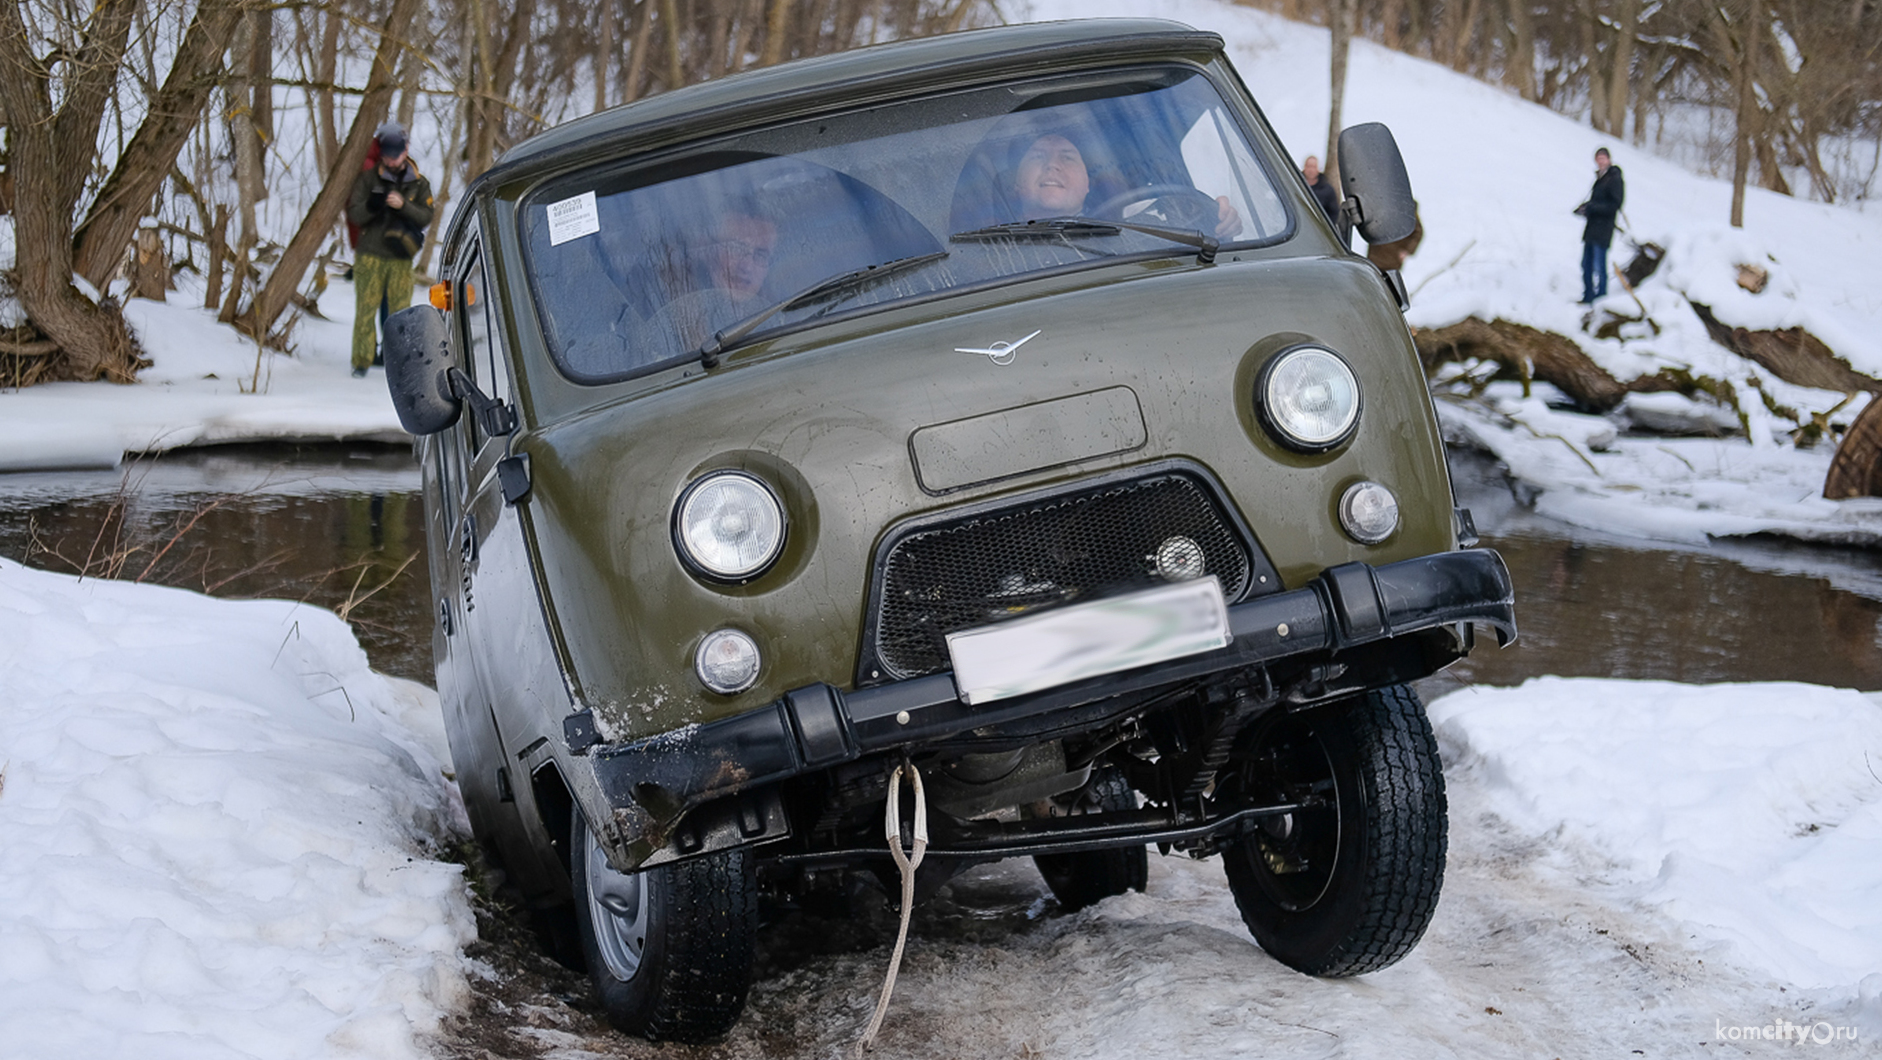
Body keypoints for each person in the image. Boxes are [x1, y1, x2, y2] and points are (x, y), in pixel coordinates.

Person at [1010, 131, 1242, 239]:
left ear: (1087, 184)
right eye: (1038, 156)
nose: (1052, 165)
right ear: (1016, 184)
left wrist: (1218, 222)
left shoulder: (1131, 229)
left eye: (1068, 157)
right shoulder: (986, 252)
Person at [347, 121, 434, 377]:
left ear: (405, 151)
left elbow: (426, 216)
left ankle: (399, 363)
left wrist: (403, 206)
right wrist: (373, 206)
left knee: (400, 313)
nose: (392, 160)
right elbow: (354, 214)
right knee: (366, 309)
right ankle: (361, 362)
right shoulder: (368, 178)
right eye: (387, 155)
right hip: (370, 254)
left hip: (400, 257)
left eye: (396, 155)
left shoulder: (419, 183)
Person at [1574, 147, 1625, 305]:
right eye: (1598, 159)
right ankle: (1588, 296)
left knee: (1599, 265)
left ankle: (1601, 299)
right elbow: (1597, 202)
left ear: (1609, 160)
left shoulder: (1614, 178)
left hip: (1603, 229)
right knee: (1586, 264)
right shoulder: (1600, 179)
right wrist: (1585, 209)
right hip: (1592, 228)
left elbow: (1615, 204)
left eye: (1603, 158)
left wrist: (1593, 208)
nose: (1600, 161)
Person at [1303, 155, 1340, 225]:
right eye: (1309, 166)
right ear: (1304, 167)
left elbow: (1334, 213)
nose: (1311, 170)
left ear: (1318, 169)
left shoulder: (1327, 190)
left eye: (1313, 167)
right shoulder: (1297, 185)